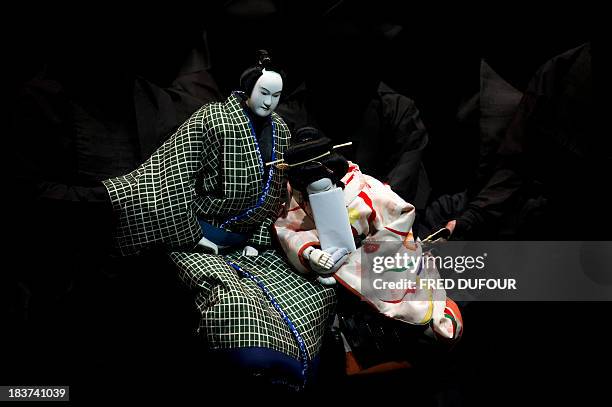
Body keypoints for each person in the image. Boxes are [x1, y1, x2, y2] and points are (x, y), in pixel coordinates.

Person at [102, 51, 335, 389]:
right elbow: (173, 176)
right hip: (198, 240)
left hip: (252, 243)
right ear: (248, 89)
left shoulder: (282, 131)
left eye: (276, 96)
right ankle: (255, 368)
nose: (269, 102)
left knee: (315, 292)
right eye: (263, 93)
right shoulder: (211, 120)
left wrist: (256, 240)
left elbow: (273, 197)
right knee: (234, 303)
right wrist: (196, 235)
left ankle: (291, 372)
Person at [274, 127, 463, 374]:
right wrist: (310, 253)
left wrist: (360, 257)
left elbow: (400, 214)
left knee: (409, 305)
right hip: (324, 273)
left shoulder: (362, 188)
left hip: (376, 258)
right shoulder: (294, 198)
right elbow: (288, 230)